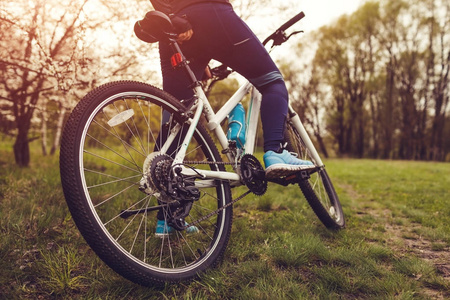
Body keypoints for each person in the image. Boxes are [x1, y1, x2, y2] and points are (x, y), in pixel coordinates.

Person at [146, 0, 314, 235]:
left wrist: (176, 20)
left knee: (177, 114)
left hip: (172, 25)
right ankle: (275, 152)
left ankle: (166, 219)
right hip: (211, 13)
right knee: (272, 82)